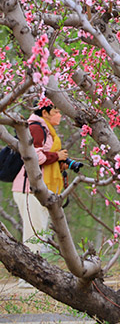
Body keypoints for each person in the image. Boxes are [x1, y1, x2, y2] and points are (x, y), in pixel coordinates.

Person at [12, 101, 68, 254]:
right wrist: (57, 156)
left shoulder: (46, 129)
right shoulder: (37, 128)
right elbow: (35, 156)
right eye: (56, 111)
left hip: (39, 187)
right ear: (45, 113)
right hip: (29, 189)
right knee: (34, 234)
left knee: (38, 232)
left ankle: (34, 271)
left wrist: (59, 163)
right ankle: (29, 274)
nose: (59, 115)